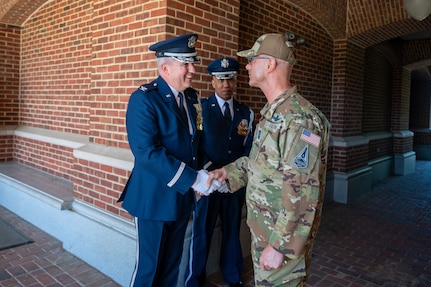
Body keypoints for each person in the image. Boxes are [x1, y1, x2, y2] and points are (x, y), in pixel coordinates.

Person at [207, 33, 331, 287]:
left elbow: (303, 190)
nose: (248, 66)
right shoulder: (274, 115)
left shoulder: (300, 120)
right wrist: (227, 173)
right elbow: (263, 165)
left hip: (280, 239)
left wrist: (280, 246)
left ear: (270, 65)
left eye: (252, 60)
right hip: (267, 231)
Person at [118, 33, 217, 287]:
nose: (193, 70)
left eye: (192, 63)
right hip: (153, 199)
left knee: (172, 268)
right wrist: (194, 178)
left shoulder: (192, 98)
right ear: (165, 67)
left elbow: (196, 145)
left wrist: (210, 175)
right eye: (186, 64)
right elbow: (146, 152)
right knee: (149, 271)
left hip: (181, 199)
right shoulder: (144, 99)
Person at [184, 58, 254, 287]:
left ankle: (232, 276)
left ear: (236, 81)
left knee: (232, 230)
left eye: (231, 79)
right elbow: (195, 147)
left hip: (233, 185)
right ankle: (194, 280)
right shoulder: (200, 110)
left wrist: (232, 177)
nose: (226, 84)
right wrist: (210, 175)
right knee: (201, 233)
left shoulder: (246, 113)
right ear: (212, 82)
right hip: (208, 184)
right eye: (221, 79)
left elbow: (249, 149)